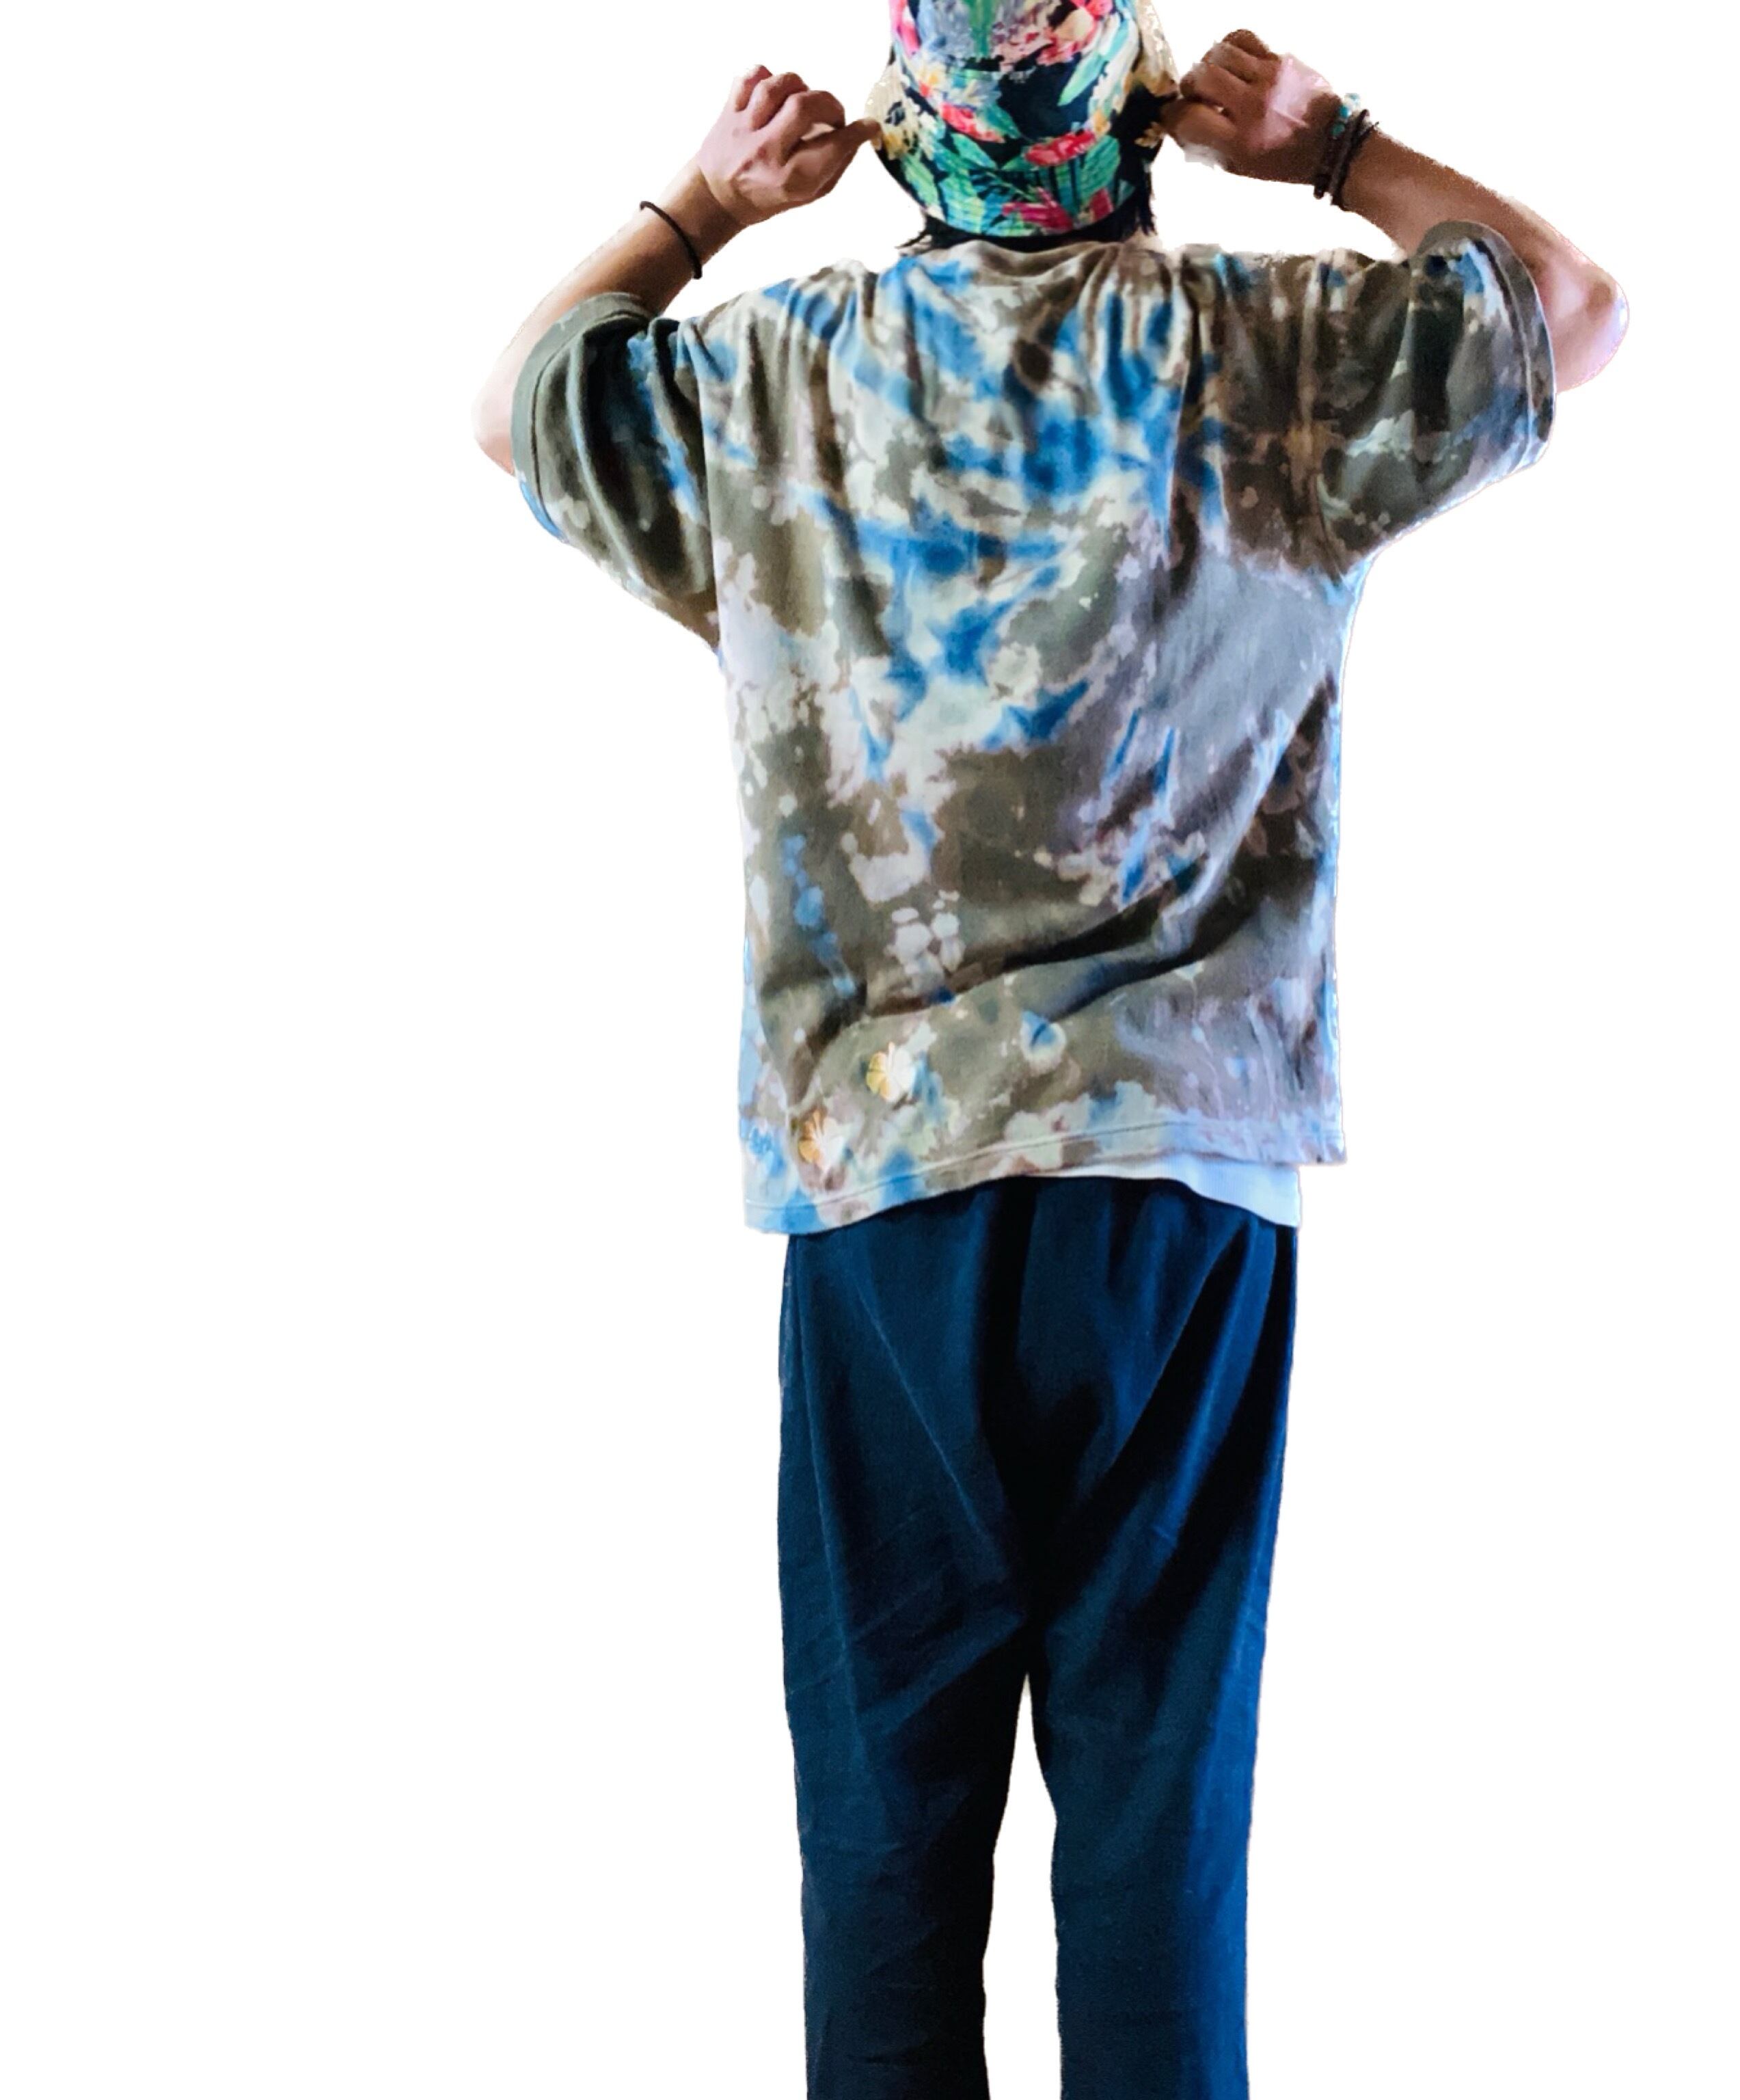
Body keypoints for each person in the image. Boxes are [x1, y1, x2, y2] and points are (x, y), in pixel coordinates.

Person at [473, 6, 1625, 2093]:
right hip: (1180, 1192)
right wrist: (1332, 145)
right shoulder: (1268, 355)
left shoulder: (781, 379)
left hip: (885, 1195)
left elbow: (521, 402)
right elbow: (1571, 304)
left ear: (909, 124)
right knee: (1159, 1857)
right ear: (1134, 105)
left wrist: (705, 207)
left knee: (884, 1858)